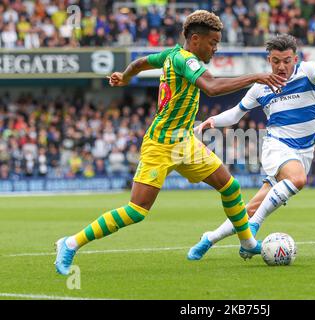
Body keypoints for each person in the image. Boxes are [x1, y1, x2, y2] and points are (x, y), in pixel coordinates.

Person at [54, 10, 287, 275]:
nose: (216, 48)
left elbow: (140, 62)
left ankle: (247, 243)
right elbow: (210, 87)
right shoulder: (185, 60)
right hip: (161, 144)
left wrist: (125, 76)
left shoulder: (169, 55)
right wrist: (255, 77)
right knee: (137, 210)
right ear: (195, 39)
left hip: (184, 141)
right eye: (213, 43)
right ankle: (70, 243)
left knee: (230, 187)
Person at [188, 34, 315, 260]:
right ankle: (255, 228)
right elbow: (237, 112)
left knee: (250, 208)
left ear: (295, 59)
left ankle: (209, 238)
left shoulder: (306, 71)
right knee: (298, 180)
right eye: (276, 61)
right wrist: (214, 121)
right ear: (269, 60)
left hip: (303, 152)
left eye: (287, 61)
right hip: (276, 146)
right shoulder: (261, 87)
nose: (281, 66)